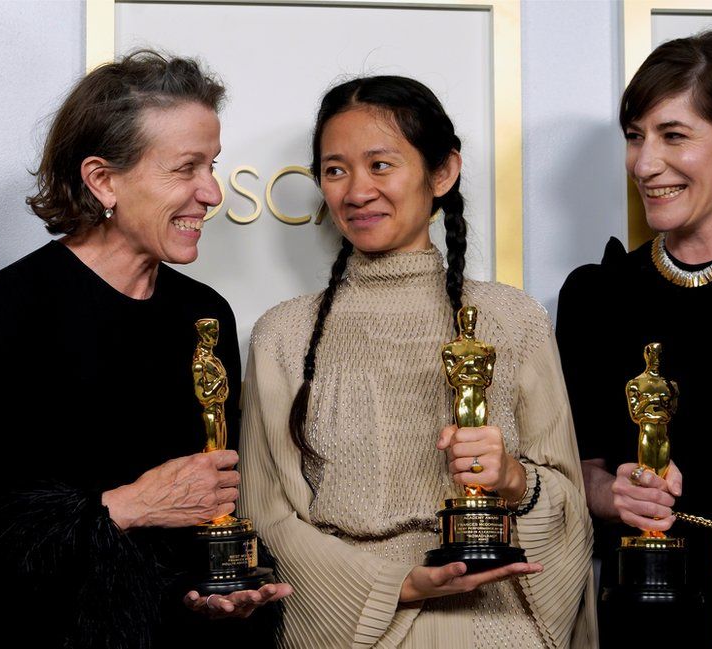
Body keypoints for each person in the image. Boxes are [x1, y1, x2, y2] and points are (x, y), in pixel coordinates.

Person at [0, 51, 291, 649]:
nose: (211, 192)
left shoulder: (204, 314)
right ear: (103, 180)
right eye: (186, 168)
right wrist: (130, 506)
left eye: (213, 165)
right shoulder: (8, 312)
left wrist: (217, 595)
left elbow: (204, 517)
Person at [238, 76, 596, 648]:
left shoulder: (513, 319)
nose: (356, 191)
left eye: (381, 165)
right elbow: (268, 516)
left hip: (498, 627)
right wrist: (396, 584)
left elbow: (569, 505)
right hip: (350, 627)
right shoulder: (282, 335)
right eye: (335, 170)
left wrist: (511, 480)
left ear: (442, 173)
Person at [556, 30, 712, 647]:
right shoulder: (597, 296)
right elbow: (578, 469)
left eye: (674, 136)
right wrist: (613, 495)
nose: (644, 164)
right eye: (635, 136)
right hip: (645, 613)